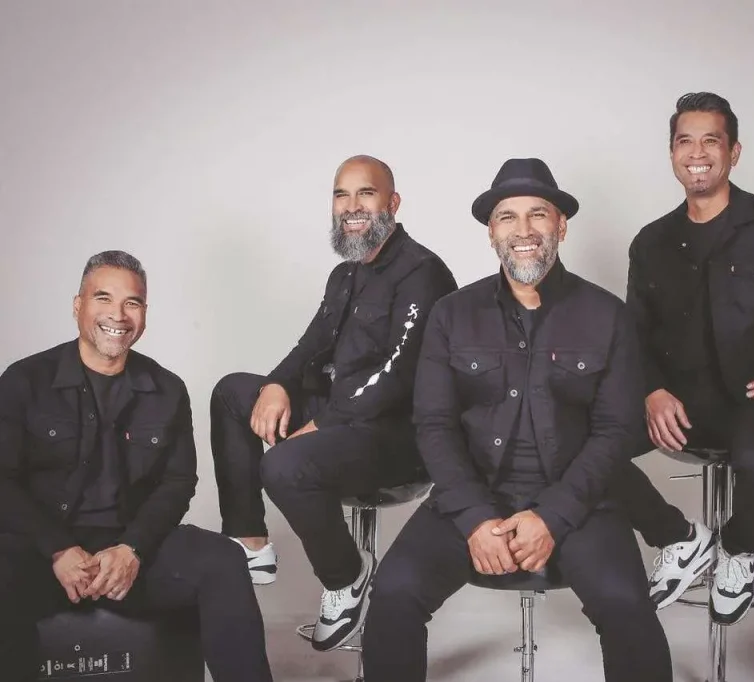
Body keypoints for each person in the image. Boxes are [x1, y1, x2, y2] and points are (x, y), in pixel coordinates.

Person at [360, 158, 673, 682]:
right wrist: (476, 519)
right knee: (393, 593)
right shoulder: (451, 314)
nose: (523, 230)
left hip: (580, 500)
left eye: (538, 215)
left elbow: (615, 432)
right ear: (491, 232)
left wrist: (551, 517)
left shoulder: (608, 315)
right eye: (507, 217)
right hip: (471, 494)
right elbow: (434, 425)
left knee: (626, 604)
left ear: (561, 226)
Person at [208, 155, 457, 651]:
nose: (351, 206)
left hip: (398, 439)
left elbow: (397, 374)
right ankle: (250, 541)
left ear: (393, 202)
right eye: (342, 194)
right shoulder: (344, 276)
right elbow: (311, 346)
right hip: (341, 422)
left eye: (366, 193)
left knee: (284, 464)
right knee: (233, 392)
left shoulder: (422, 273)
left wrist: (322, 423)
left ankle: (347, 575)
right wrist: (278, 383)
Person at [0, 250, 273, 682]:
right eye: (103, 298)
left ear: (144, 313)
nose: (118, 315)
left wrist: (132, 549)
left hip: (131, 552)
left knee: (223, 560)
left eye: (132, 302)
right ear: (78, 305)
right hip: (43, 553)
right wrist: (57, 548)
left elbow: (178, 482)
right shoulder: (24, 380)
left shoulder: (167, 389)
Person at [622, 92, 754, 625]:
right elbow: (634, 333)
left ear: (734, 152)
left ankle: (736, 548)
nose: (697, 153)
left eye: (711, 140)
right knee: (577, 448)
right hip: (677, 402)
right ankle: (680, 539)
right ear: (671, 153)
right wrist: (651, 390)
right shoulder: (651, 242)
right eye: (684, 141)